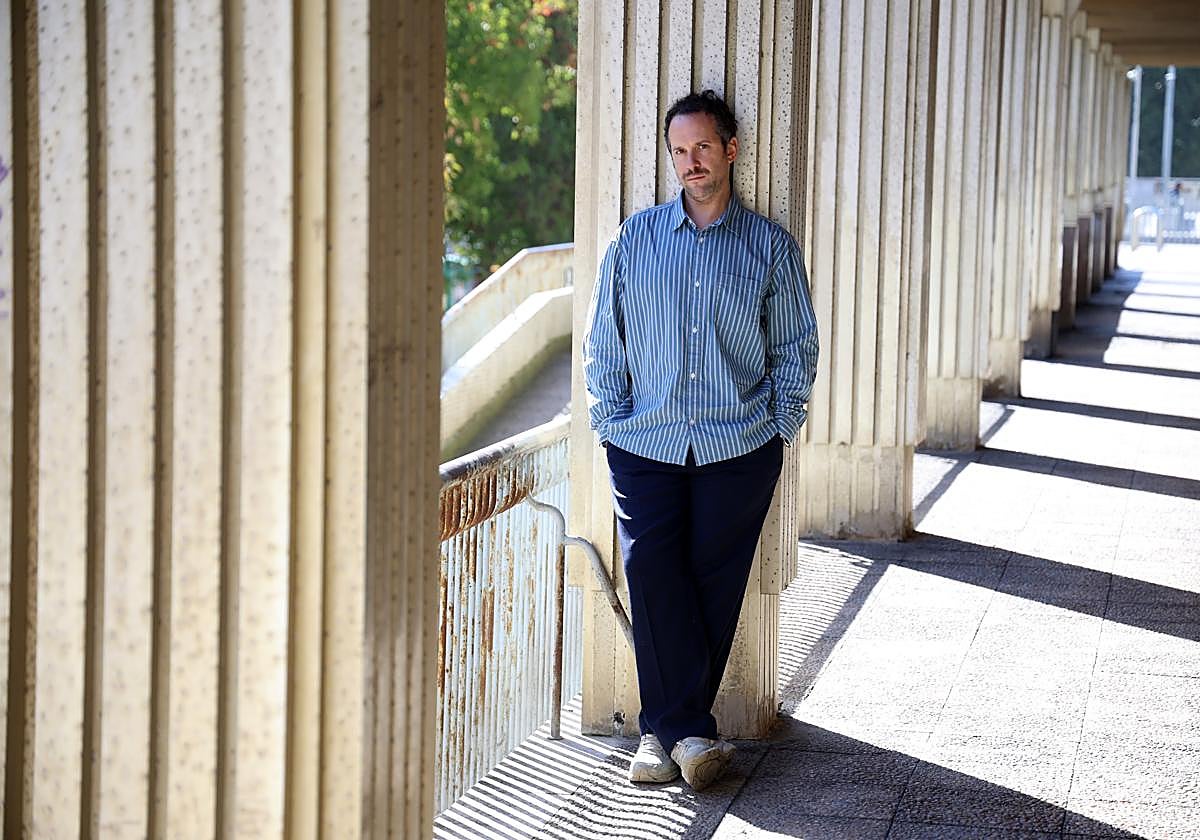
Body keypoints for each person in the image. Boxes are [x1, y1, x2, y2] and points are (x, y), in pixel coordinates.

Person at [583, 90, 819, 791]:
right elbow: (602, 344)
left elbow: (797, 348)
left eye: (702, 148)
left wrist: (778, 427)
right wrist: (610, 424)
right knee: (655, 574)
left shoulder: (770, 248)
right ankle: (685, 733)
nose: (690, 163)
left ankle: (666, 738)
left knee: (716, 586)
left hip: (739, 447)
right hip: (644, 443)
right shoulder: (634, 240)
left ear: (731, 150)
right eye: (679, 151)